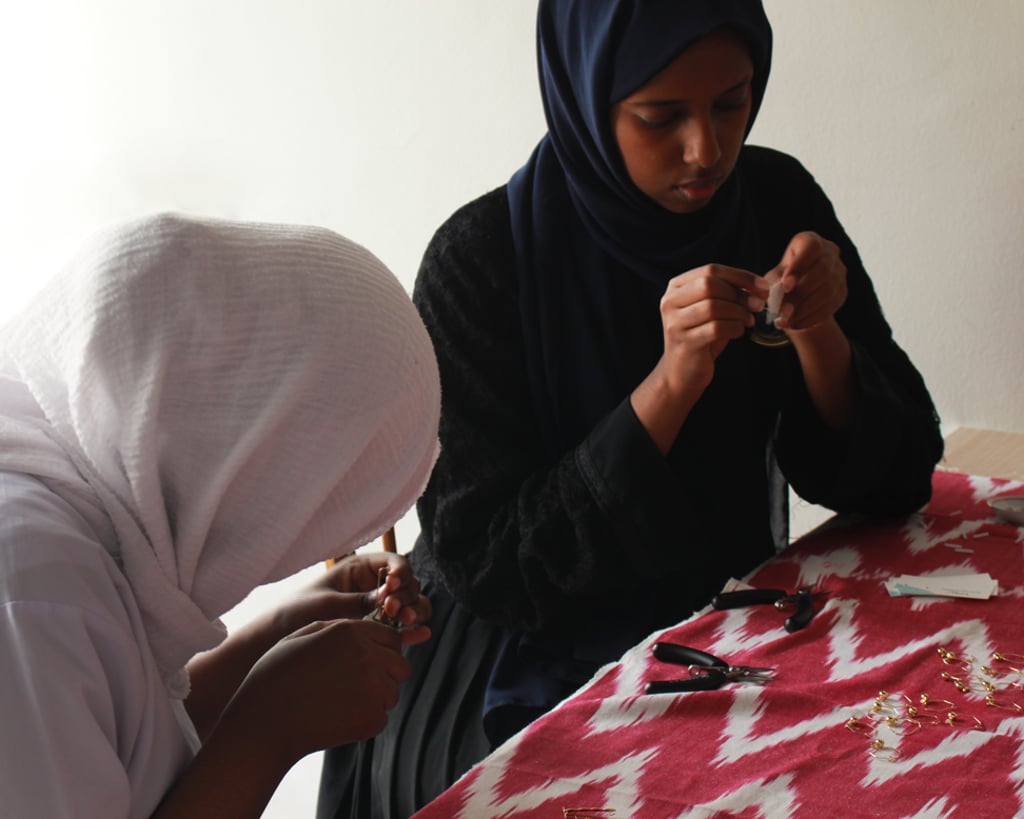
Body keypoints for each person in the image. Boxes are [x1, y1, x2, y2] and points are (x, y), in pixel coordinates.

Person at [317, 1, 944, 816]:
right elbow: (497, 570)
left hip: (729, 626)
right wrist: (670, 382)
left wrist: (821, 333)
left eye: (732, 103)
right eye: (661, 116)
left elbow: (895, 479)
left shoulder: (774, 198)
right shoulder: (481, 263)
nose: (707, 149)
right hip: (508, 671)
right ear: (585, 95)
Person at [0, 213, 441, 818]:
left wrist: (270, 639)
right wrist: (270, 728)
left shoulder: (64, 479)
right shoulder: (33, 597)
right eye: (321, 508)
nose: (305, 543)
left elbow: (114, 743)